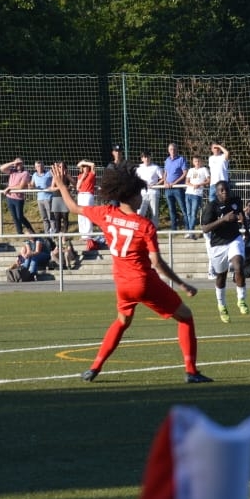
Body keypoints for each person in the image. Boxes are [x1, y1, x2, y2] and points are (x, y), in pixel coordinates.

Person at [50, 162, 210, 384]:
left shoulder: (105, 214)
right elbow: (156, 262)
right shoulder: (144, 225)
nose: (141, 198)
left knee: (122, 321)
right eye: (139, 194)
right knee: (185, 316)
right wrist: (183, 284)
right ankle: (191, 371)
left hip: (122, 283)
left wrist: (61, 185)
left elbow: (74, 208)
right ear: (132, 196)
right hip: (143, 281)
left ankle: (94, 368)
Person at [199, 180, 250, 321]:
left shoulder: (236, 201)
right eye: (221, 190)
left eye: (226, 189)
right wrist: (223, 219)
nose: (225, 192)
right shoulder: (212, 206)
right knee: (221, 276)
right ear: (216, 192)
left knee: (238, 265)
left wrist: (247, 230)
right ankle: (221, 305)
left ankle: (241, 300)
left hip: (234, 239)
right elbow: (205, 228)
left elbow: (241, 214)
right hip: (218, 244)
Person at [0, 158, 37, 236]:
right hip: (10, 197)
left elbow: (21, 187)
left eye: (20, 163)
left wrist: (9, 188)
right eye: (17, 163)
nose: (18, 165)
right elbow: (1, 168)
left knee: (20, 216)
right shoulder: (12, 171)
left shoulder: (25, 173)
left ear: (22, 164)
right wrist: (13, 163)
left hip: (18, 198)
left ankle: (31, 231)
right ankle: (19, 232)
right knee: (14, 216)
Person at [162, 143, 189, 231]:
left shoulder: (181, 159)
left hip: (178, 188)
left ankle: (188, 228)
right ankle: (174, 229)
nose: (172, 151)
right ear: (168, 150)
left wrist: (174, 183)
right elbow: (165, 173)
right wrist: (165, 182)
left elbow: (185, 173)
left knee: (183, 208)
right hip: (168, 189)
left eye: (174, 149)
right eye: (171, 149)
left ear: (176, 150)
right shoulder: (167, 160)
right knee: (171, 209)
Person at [74, 160, 99, 248]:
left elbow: (93, 164)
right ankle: (83, 235)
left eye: (86, 167)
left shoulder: (91, 174)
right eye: (84, 167)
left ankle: (88, 235)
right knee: (80, 215)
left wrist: (85, 163)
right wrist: (83, 177)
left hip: (88, 195)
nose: (85, 168)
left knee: (87, 214)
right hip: (81, 195)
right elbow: (77, 187)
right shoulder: (80, 175)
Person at [184, 155, 210, 238]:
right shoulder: (191, 170)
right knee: (188, 213)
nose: (197, 163)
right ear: (193, 162)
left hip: (197, 194)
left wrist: (200, 184)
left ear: (201, 161)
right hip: (188, 193)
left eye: (198, 161)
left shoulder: (204, 169)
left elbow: (209, 180)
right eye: (195, 161)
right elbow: (187, 181)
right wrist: (193, 185)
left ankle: (191, 232)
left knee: (193, 213)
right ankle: (190, 231)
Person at [135, 152, 164, 221]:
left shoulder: (156, 167)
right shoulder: (139, 168)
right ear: (142, 159)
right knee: (140, 213)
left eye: (148, 157)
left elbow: (163, 178)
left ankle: (154, 227)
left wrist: (156, 185)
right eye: (144, 157)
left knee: (154, 213)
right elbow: (135, 179)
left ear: (150, 157)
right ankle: (140, 227)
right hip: (142, 193)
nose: (146, 159)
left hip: (153, 193)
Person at [31, 160, 57, 234]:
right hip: (40, 199)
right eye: (38, 166)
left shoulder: (49, 173)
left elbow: (56, 179)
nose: (40, 168)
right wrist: (30, 186)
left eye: (41, 166)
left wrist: (52, 186)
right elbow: (32, 184)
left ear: (43, 166)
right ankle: (47, 233)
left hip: (48, 198)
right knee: (44, 217)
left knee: (51, 217)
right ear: (35, 167)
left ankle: (54, 232)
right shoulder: (34, 175)